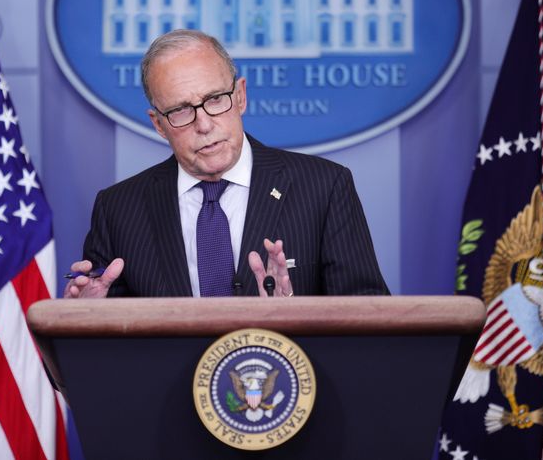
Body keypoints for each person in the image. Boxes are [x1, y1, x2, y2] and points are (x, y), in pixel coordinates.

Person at [65, 29, 388, 299]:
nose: (204, 125)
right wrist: (86, 319)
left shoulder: (323, 187)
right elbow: (99, 357)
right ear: (159, 125)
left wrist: (294, 315)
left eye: (215, 99)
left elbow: (371, 321)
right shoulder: (118, 209)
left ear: (240, 96)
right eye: (180, 110)